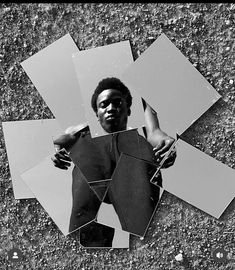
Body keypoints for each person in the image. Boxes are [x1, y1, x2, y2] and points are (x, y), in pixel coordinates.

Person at [52, 77, 176, 247]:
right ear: (96, 113)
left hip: (131, 158)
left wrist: (166, 143)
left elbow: (155, 133)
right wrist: (57, 149)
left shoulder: (139, 129)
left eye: (118, 103)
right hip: (93, 158)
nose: (111, 108)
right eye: (104, 105)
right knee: (84, 228)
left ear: (129, 109)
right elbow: (62, 139)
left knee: (145, 225)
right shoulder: (83, 130)